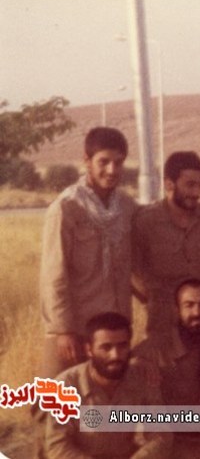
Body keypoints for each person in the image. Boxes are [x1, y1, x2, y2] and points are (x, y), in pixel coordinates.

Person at [40, 127, 138, 379]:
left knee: (109, 399)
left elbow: (136, 268)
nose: (112, 170)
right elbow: (53, 276)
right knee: (54, 397)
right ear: (87, 160)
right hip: (75, 329)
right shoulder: (66, 208)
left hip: (112, 331)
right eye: (103, 162)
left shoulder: (127, 207)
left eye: (118, 162)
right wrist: (63, 330)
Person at [44, 312, 172, 458]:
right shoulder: (65, 386)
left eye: (122, 346)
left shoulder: (141, 377)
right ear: (89, 350)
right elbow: (57, 447)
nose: (115, 355)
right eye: (106, 348)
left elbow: (161, 434)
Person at [132, 151, 200, 347]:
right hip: (163, 324)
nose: (197, 193)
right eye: (190, 185)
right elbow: (133, 272)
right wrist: (155, 298)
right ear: (169, 184)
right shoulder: (146, 222)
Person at [132, 278, 200, 458]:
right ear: (177, 310)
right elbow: (122, 364)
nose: (197, 312)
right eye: (189, 305)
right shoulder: (157, 347)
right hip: (173, 444)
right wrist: (137, 363)